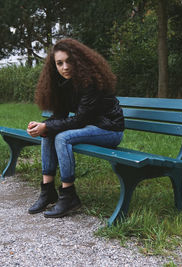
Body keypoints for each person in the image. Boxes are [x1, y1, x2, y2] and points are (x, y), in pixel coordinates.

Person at [26, 38, 125, 218]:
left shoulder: (91, 82)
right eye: (59, 63)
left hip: (110, 130)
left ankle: (69, 194)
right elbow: (61, 116)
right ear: (54, 66)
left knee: (62, 137)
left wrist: (47, 125)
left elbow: (79, 120)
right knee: (49, 132)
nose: (65, 67)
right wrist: (40, 127)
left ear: (79, 60)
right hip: (91, 127)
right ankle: (47, 190)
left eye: (69, 61)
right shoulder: (65, 84)